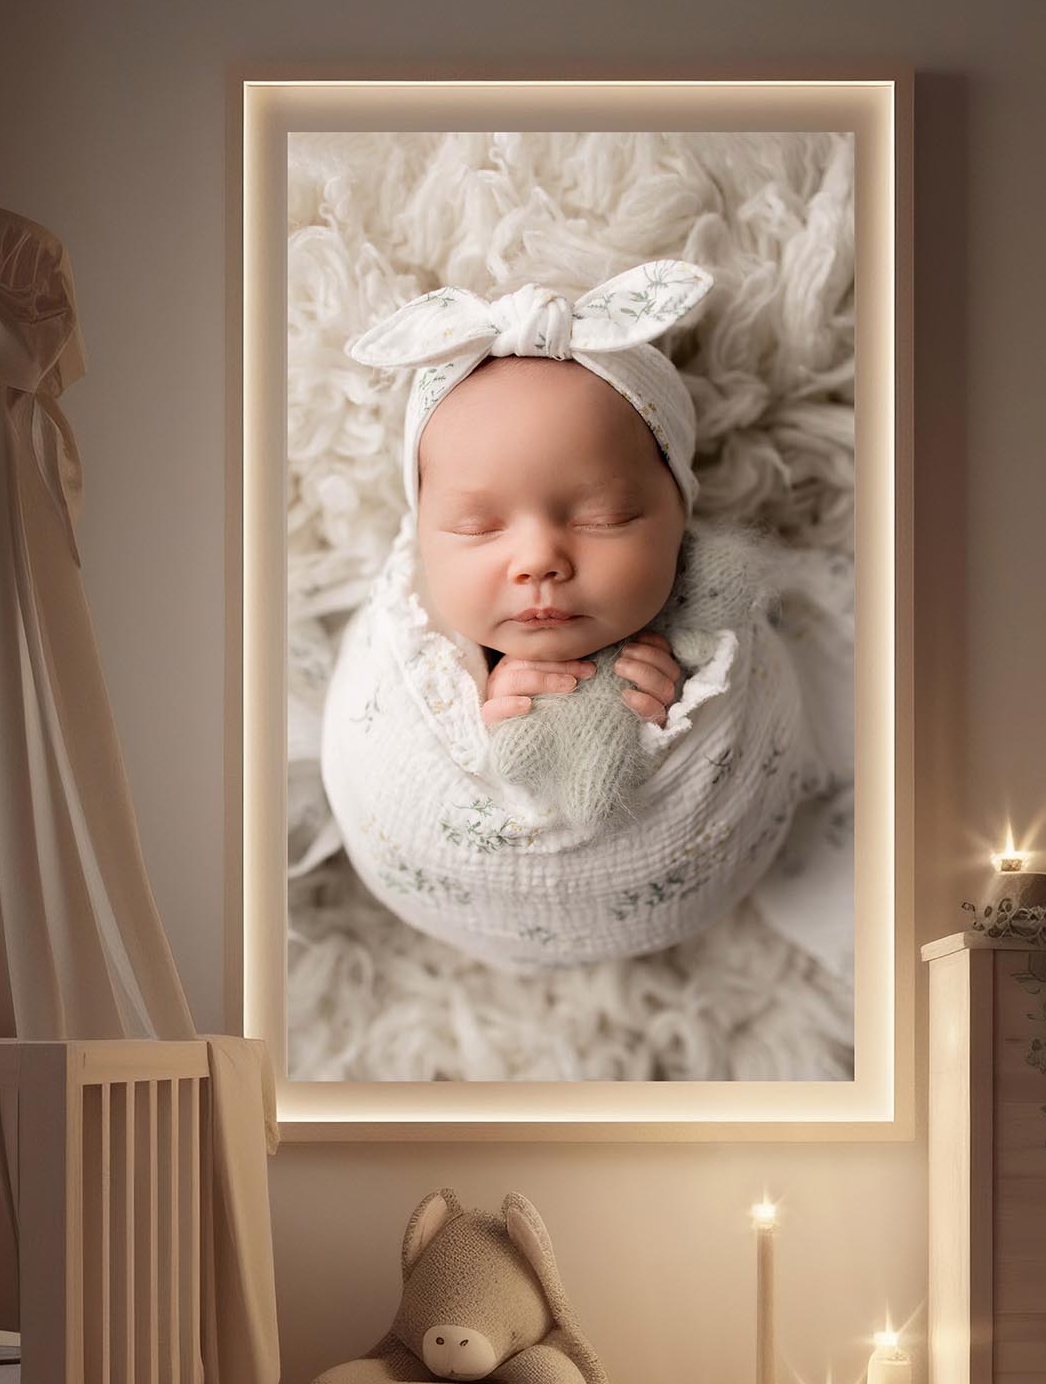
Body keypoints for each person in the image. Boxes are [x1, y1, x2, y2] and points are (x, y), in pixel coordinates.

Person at [318, 261, 822, 971]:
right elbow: (413, 729)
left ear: (680, 515)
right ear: (424, 530)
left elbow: (735, 707)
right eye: (476, 525)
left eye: (603, 517)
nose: (539, 560)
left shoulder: (693, 612)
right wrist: (486, 706)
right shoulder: (418, 635)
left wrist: (677, 699)